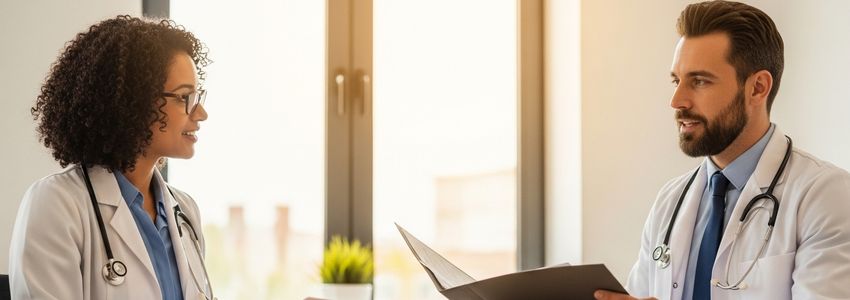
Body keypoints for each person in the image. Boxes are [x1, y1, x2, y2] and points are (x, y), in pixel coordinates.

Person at [594, 1, 850, 300]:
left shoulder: (827, 196)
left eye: (699, 81)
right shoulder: (670, 201)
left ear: (757, 88)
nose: (677, 101)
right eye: (676, 81)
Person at [9, 16, 213, 299]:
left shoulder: (185, 210)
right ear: (135, 100)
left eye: (198, 96)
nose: (201, 114)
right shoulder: (58, 204)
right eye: (184, 97)